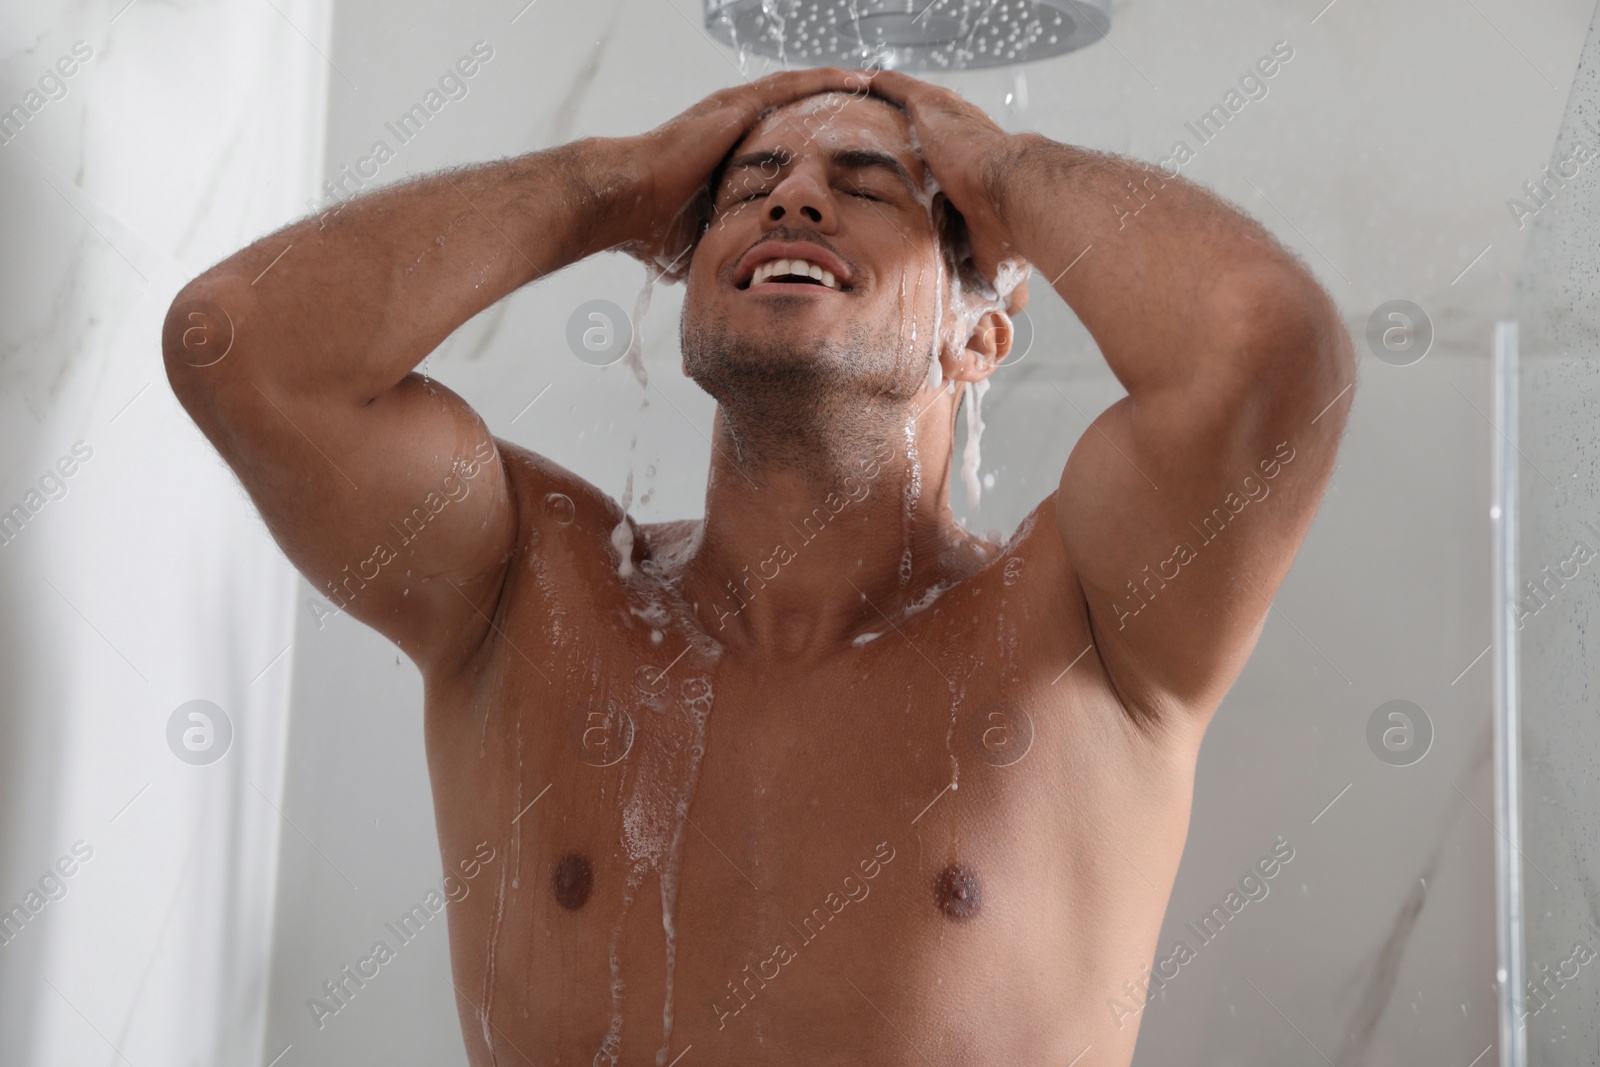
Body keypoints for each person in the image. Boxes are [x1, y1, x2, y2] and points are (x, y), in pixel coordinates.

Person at [163, 65, 1354, 1066]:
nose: (791, 200)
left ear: (981, 331)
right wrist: (608, 182)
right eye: (746, 186)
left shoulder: (1087, 619)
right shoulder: (527, 590)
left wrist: (1002, 171)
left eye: (867, 186)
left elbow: (1265, 343)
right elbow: (238, 346)